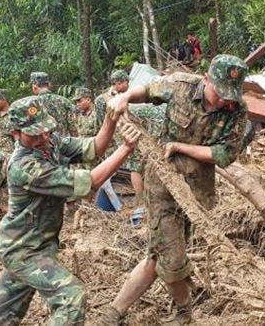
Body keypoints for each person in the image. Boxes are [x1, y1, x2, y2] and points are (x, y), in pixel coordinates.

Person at [97, 54, 251, 325]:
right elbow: (147, 89)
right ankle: (183, 310)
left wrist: (181, 147)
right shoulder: (181, 85)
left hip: (195, 192)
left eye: (230, 95)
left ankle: (116, 310)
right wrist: (125, 97)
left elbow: (225, 154)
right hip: (162, 184)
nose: (225, 101)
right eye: (220, 93)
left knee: (160, 255)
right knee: (172, 254)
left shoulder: (237, 109)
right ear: (206, 80)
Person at [0, 96, 140, 325]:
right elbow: (90, 182)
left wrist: (110, 118)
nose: (44, 137)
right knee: (71, 297)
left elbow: (94, 147)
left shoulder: (50, 142)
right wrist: (125, 149)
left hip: (36, 246)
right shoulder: (24, 166)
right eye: (35, 134)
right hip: (23, 250)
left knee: (2, 316)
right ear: (16, 133)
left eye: (45, 130)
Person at [30, 71, 78, 136]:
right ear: (48, 84)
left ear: (34, 86)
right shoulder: (64, 101)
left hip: (43, 143)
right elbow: (73, 127)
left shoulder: (32, 104)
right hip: (65, 142)